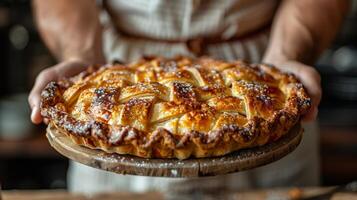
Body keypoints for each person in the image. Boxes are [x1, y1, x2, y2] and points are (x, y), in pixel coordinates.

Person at [29, 0, 348, 194]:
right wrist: (83, 57)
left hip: (258, 74)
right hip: (116, 84)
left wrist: (284, 58)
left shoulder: (274, 82)